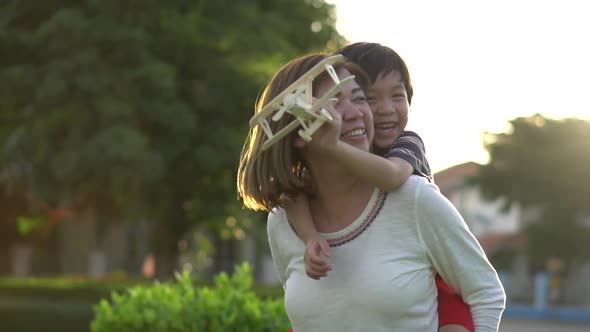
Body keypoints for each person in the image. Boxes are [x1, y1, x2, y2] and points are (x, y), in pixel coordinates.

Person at [237, 53, 505, 331]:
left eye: (358, 97)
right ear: (295, 134)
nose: (357, 112)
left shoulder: (414, 196)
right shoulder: (283, 219)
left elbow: (485, 293)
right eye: (334, 102)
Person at [287, 42, 475, 332]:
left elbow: (391, 177)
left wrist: (334, 146)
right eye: (370, 98)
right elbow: (292, 191)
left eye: (397, 96)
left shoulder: (406, 144)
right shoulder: (339, 152)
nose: (386, 110)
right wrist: (310, 237)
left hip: (434, 273)